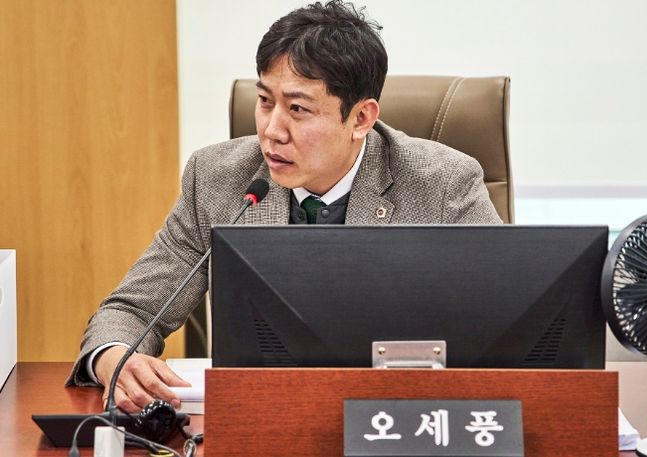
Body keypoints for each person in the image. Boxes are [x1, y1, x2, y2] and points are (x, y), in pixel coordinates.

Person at [67, 0, 502, 413]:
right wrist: (113, 356)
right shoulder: (217, 178)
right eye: (264, 101)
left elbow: (500, 322)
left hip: (396, 415)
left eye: (297, 108)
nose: (272, 130)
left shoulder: (442, 183)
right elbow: (131, 310)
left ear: (361, 119)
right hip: (262, 416)